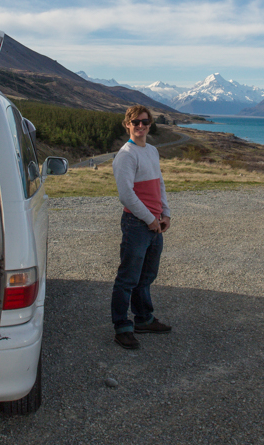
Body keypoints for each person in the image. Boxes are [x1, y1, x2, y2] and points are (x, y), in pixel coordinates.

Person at [110, 105, 172, 349]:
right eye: (135, 122)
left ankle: (143, 319)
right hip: (138, 224)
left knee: (146, 276)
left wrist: (166, 213)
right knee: (127, 278)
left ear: (150, 124)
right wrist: (150, 219)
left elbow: (160, 185)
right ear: (127, 124)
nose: (141, 126)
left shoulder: (152, 151)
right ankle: (122, 327)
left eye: (145, 122)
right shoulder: (126, 155)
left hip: (153, 222)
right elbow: (126, 195)